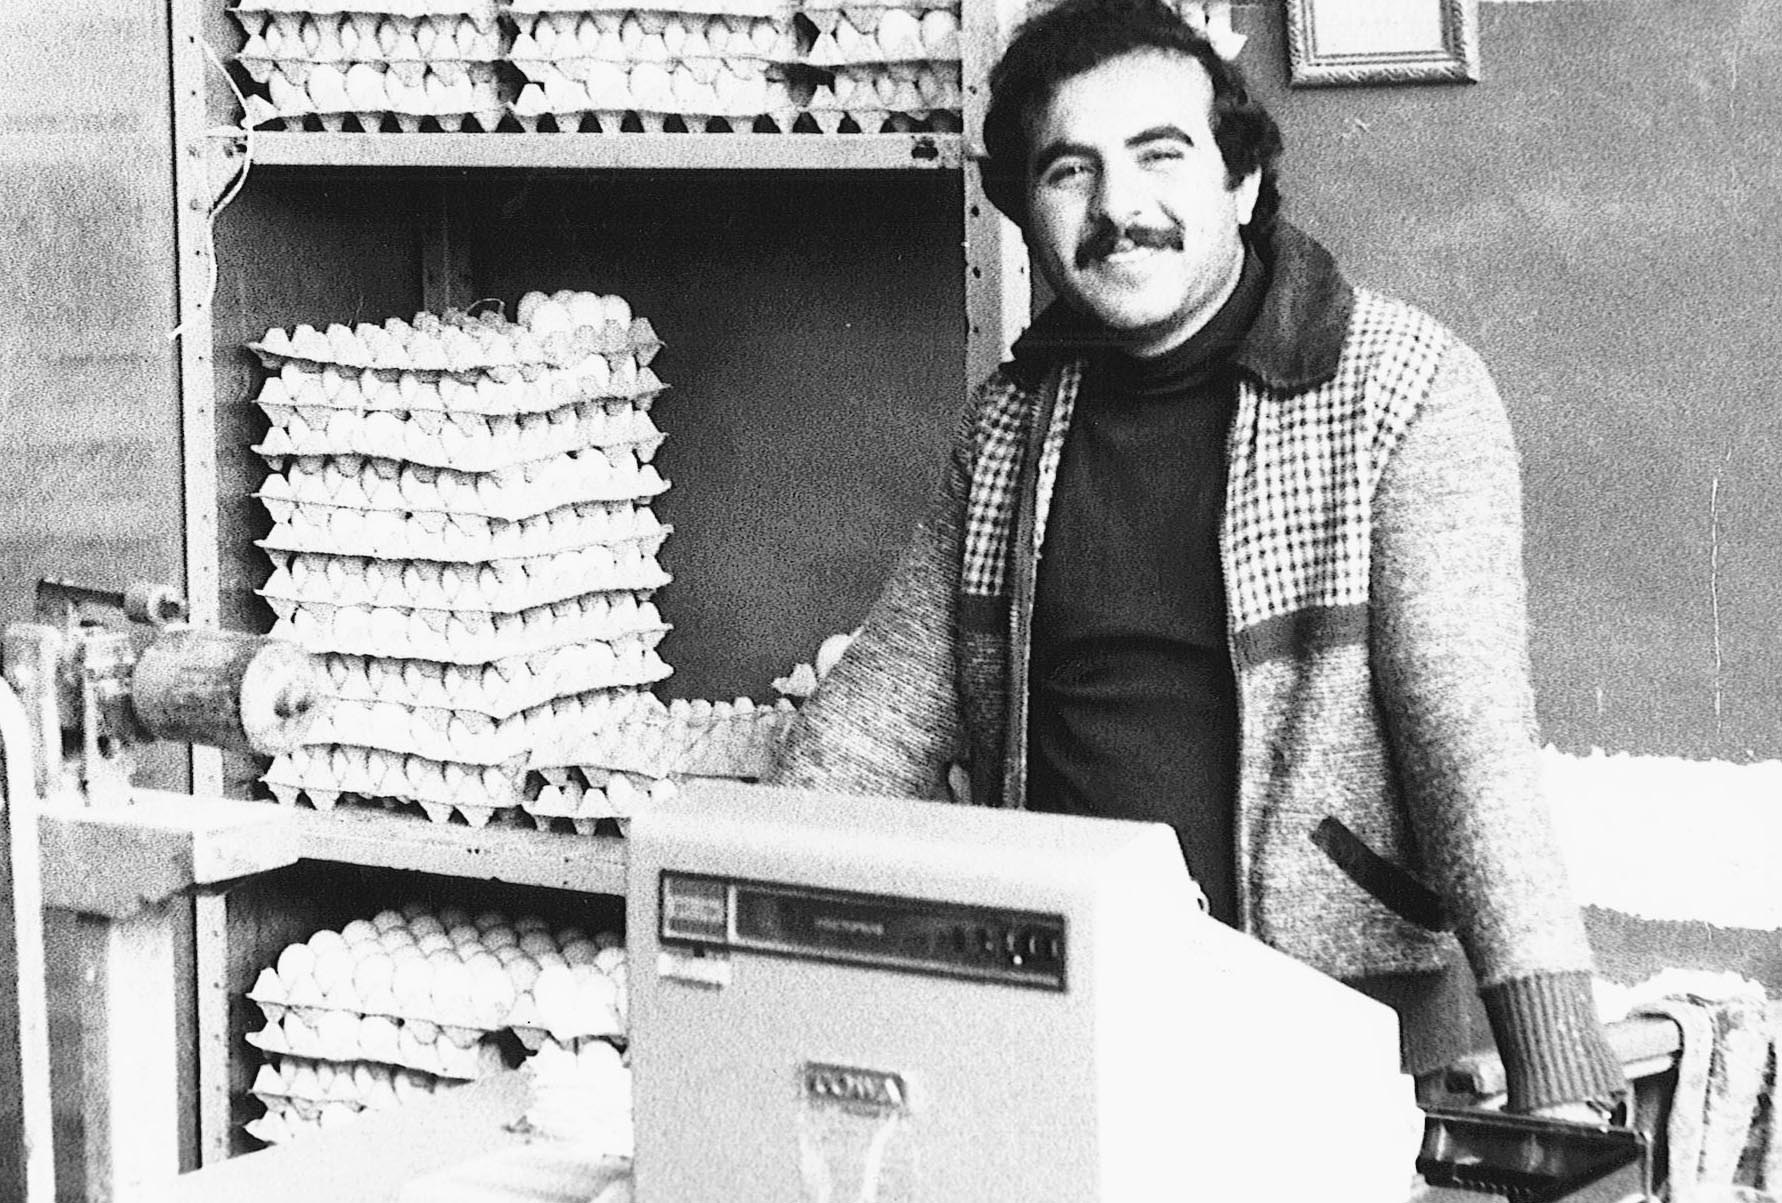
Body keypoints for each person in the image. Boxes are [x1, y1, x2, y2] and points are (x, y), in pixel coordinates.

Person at [763, 0, 1626, 1118]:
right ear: (1027, 213)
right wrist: (748, 946)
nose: (1120, 208)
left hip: (1335, 1043)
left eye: (1160, 157)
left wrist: (1556, 1075)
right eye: (1070, 171)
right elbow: (876, 721)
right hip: (1071, 1036)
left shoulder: (1399, 389)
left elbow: (1473, 750)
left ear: (1243, 183)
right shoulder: (1013, 425)